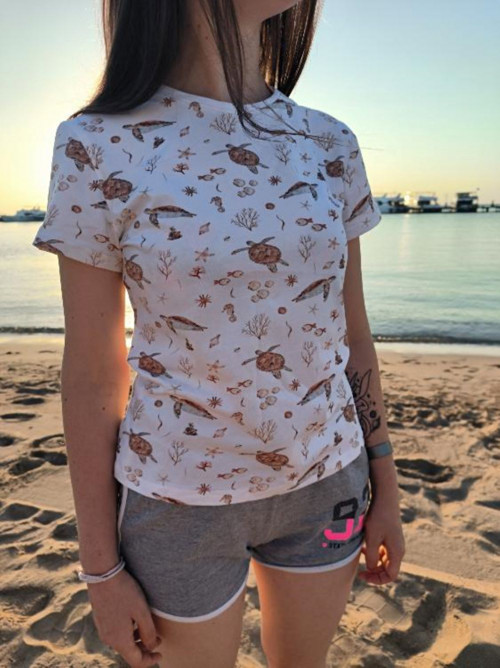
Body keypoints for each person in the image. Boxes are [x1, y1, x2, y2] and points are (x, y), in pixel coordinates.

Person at [31, 1, 405, 666]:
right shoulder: (97, 145)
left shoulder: (328, 143)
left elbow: (352, 333)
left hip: (327, 478)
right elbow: (92, 374)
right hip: (177, 500)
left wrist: (386, 478)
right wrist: (99, 569)